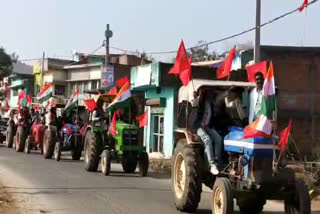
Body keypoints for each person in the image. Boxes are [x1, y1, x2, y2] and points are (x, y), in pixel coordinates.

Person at [189, 89, 222, 175]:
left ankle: (217, 161)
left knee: (218, 139)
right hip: (198, 127)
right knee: (207, 139)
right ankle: (212, 164)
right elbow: (194, 105)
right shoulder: (198, 102)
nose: (209, 94)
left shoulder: (210, 103)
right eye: (206, 92)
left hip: (207, 126)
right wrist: (195, 98)